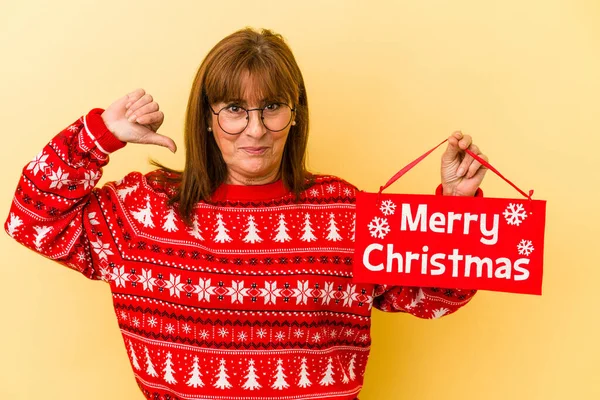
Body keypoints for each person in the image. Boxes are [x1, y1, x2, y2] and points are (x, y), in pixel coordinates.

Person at [5, 27, 488, 400]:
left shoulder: (347, 213)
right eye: (235, 108)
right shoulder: (144, 211)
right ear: (207, 118)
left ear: (294, 114)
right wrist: (100, 134)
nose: (255, 130)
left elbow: (433, 298)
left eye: (271, 107)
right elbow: (32, 219)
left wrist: (457, 210)